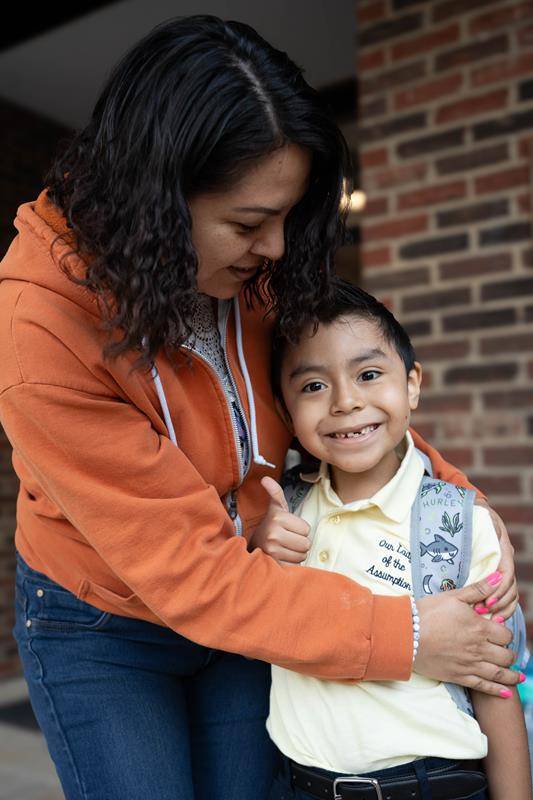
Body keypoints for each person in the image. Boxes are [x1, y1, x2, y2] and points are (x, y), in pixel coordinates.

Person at [0, 14, 521, 800]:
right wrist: (410, 636)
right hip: (104, 620)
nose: (275, 249)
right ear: (156, 205)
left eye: (286, 217)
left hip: (263, 584)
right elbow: (192, 573)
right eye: (248, 223)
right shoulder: (39, 329)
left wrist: (457, 508)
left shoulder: (251, 274)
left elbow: (354, 409)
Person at [251, 278, 531, 800]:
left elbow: (495, 685)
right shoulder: (283, 515)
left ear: (412, 385)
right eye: (313, 385)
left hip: (431, 784)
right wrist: (260, 547)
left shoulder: (455, 523)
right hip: (299, 785)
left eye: (369, 374)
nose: (346, 401)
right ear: (286, 412)